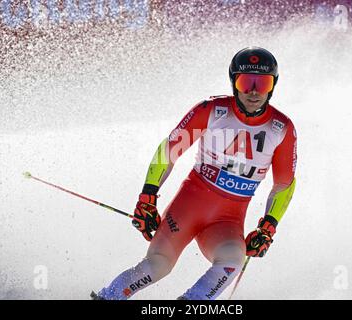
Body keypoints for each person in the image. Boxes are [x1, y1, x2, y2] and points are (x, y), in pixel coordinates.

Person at [93, 46, 297, 300]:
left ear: (273, 85)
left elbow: (284, 185)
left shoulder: (282, 128)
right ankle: (108, 296)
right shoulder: (211, 110)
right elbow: (168, 152)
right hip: (188, 209)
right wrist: (148, 197)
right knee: (158, 266)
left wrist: (269, 226)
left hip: (226, 222)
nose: (254, 92)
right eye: (246, 82)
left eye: (262, 83)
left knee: (232, 261)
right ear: (234, 82)